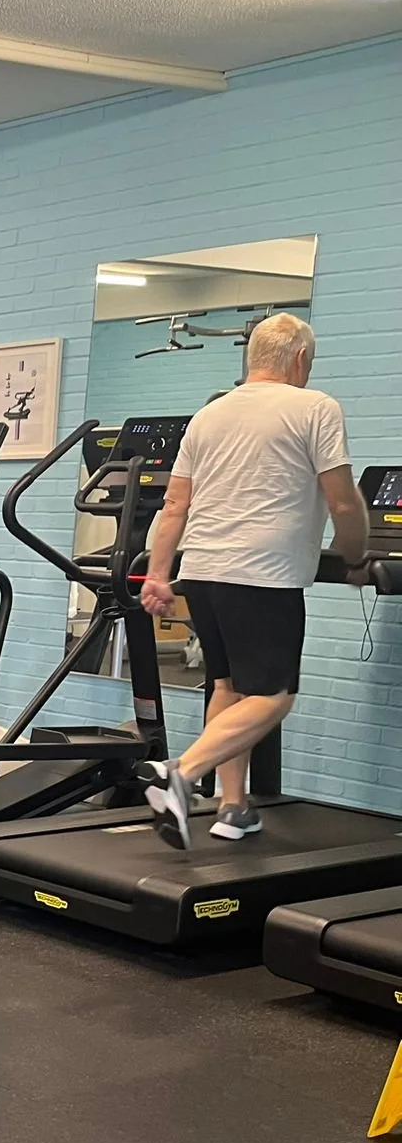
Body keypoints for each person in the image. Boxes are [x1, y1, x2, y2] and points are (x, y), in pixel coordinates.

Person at [139, 312, 369, 849]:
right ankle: (182, 774)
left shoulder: (210, 414)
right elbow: (341, 498)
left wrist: (158, 573)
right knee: (274, 696)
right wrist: (355, 554)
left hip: (203, 570)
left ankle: (233, 807)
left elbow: (175, 505)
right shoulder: (316, 407)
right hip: (264, 574)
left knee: (228, 686)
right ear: (300, 360)